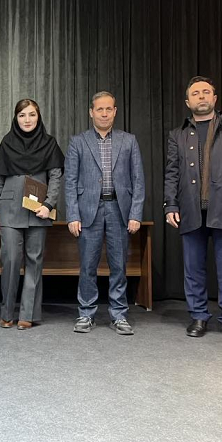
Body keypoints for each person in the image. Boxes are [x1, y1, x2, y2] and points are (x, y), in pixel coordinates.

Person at [164, 76, 222, 340]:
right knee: (193, 268)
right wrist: (170, 204)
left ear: (215, 98)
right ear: (188, 102)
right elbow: (172, 172)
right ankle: (198, 316)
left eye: (206, 92)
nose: (202, 97)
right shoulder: (177, 134)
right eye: (196, 93)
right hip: (190, 209)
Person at [64, 91, 145, 335]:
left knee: (119, 265)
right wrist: (73, 215)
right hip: (88, 211)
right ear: (91, 112)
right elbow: (70, 181)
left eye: (109, 109)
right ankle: (86, 313)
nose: (104, 113)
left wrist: (135, 214)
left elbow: (138, 180)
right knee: (88, 266)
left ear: (115, 111)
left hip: (119, 210)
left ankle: (119, 314)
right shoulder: (78, 141)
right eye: (99, 109)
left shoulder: (128, 141)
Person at [0, 98, 64, 330]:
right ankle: (7, 312)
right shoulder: (7, 142)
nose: (27, 119)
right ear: (16, 118)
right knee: (10, 260)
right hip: (9, 210)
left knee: (34, 261)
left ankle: (28, 314)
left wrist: (49, 204)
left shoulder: (49, 143)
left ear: (38, 117)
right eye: (22, 115)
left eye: (32, 114)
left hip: (38, 209)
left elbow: (56, 177)